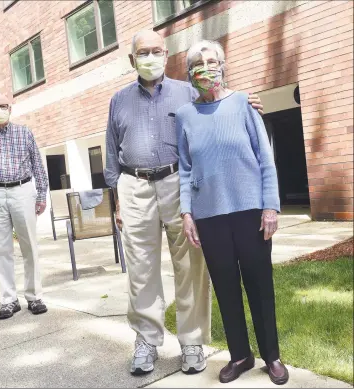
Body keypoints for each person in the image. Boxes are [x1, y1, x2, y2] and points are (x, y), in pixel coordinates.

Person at [104, 30, 264, 376]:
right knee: (140, 268)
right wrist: (116, 198)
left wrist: (248, 105)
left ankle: (192, 342)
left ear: (166, 54)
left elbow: (220, 107)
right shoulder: (118, 100)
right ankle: (146, 341)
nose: (150, 57)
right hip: (133, 185)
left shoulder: (188, 91)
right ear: (132, 59)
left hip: (180, 181)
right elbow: (110, 153)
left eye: (156, 51)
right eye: (142, 52)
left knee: (191, 264)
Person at [177, 40, 288, 385]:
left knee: (259, 285)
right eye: (198, 63)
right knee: (225, 287)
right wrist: (186, 213)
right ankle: (240, 355)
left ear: (223, 66)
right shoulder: (184, 116)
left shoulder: (243, 103)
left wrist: (270, 206)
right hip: (209, 217)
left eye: (212, 61)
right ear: (190, 72)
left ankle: (272, 355)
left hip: (250, 212)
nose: (206, 68)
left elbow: (265, 159)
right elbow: (184, 169)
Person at [0, 93, 48, 320]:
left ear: (10, 108)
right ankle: (9, 300)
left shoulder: (24, 133)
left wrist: (41, 194)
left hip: (22, 190)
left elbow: (37, 165)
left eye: (3, 106)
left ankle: (34, 296)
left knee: (29, 247)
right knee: (3, 250)